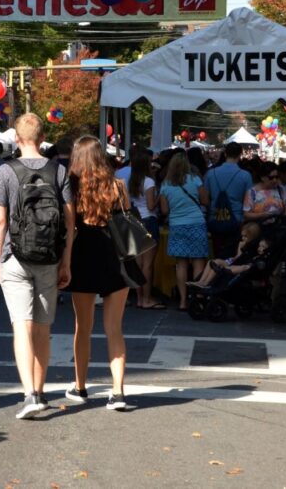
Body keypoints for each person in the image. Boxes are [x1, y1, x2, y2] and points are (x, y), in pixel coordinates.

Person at [0, 113, 74, 419]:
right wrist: (66, 261)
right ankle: (40, 390)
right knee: (42, 328)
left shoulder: (6, 171)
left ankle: (29, 396)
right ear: (42, 138)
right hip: (50, 257)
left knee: (21, 327)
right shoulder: (58, 170)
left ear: (16, 138)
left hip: (15, 256)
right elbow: (69, 220)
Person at [64, 136, 131, 411]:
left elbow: (69, 227)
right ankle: (117, 392)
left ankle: (80, 387)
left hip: (84, 255)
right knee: (114, 329)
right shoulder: (118, 186)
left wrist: (64, 263)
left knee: (83, 327)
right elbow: (126, 222)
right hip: (115, 256)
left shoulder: (73, 186)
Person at [160, 152, 209, 311]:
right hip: (196, 223)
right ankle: (198, 298)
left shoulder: (166, 184)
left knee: (181, 265)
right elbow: (205, 201)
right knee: (198, 262)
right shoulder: (195, 180)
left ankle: (182, 301)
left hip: (177, 225)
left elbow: (164, 210)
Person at [120, 151, 163, 309]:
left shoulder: (129, 181)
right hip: (148, 220)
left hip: (134, 221)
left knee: (137, 264)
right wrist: (160, 195)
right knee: (148, 264)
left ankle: (139, 298)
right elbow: (151, 206)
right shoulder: (149, 182)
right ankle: (147, 298)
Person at [203, 142, 253, 258]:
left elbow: (205, 198)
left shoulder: (211, 173)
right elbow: (249, 200)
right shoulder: (245, 175)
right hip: (236, 219)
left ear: (225, 154)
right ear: (240, 154)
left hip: (215, 218)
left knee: (217, 253)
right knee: (232, 254)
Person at [189, 223, 264, 289]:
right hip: (234, 261)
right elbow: (237, 256)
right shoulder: (241, 243)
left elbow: (242, 258)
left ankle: (206, 283)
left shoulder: (253, 247)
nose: (243, 238)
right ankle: (201, 281)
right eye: (242, 236)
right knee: (211, 262)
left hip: (237, 265)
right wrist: (237, 253)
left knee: (217, 264)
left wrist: (242, 249)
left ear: (252, 237)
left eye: (246, 236)